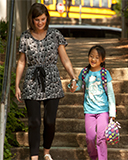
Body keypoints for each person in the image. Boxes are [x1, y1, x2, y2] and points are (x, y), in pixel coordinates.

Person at [15, 3, 77, 160]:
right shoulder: (25, 37)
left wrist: (73, 76)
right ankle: (34, 156)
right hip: (31, 80)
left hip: (52, 80)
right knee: (34, 121)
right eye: (37, 19)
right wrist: (17, 85)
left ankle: (47, 152)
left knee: (50, 121)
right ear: (32, 19)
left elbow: (64, 59)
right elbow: (22, 62)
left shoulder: (55, 35)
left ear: (47, 18)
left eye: (43, 19)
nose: (40, 22)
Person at [70, 45, 116, 160]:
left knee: (101, 137)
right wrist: (72, 87)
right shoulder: (85, 72)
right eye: (91, 56)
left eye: (97, 57)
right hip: (89, 111)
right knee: (90, 137)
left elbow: (110, 94)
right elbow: (79, 86)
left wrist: (112, 113)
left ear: (102, 60)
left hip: (103, 111)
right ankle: (94, 157)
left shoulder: (105, 73)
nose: (93, 59)